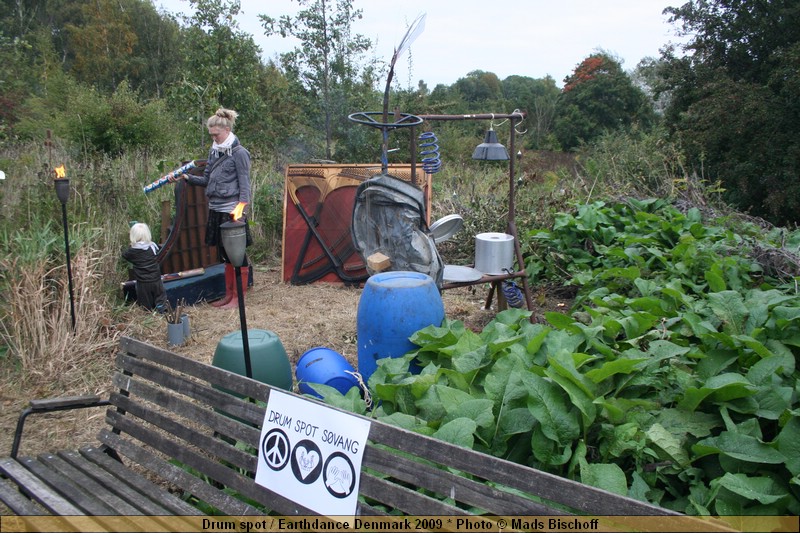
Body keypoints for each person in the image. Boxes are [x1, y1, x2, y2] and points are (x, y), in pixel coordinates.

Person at [172, 108, 252, 309]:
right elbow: (207, 179)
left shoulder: (240, 154)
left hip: (232, 211)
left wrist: (240, 212)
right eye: (211, 135)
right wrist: (188, 178)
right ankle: (229, 294)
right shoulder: (214, 151)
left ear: (226, 130)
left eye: (216, 134)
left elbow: (245, 186)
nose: (214, 138)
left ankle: (238, 298)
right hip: (215, 208)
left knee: (237, 254)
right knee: (224, 253)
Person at [123, 223, 168, 313]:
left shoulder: (132, 251)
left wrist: (130, 246)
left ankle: (148, 313)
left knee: (146, 303)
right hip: (156, 279)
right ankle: (162, 310)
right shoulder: (152, 247)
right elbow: (157, 254)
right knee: (160, 297)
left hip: (143, 281)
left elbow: (124, 255)